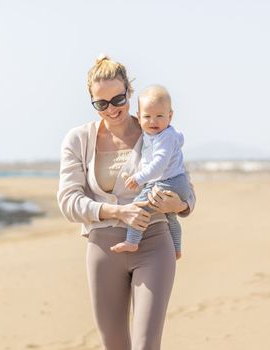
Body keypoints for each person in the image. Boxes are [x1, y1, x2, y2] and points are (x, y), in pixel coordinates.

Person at [57, 55, 196, 350]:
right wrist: (117, 211)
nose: (112, 109)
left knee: (147, 344)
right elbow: (68, 201)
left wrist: (176, 205)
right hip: (102, 249)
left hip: (154, 244)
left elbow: (188, 195)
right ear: (92, 102)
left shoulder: (156, 131)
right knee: (115, 345)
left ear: (129, 93)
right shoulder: (77, 140)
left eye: (118, 98)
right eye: (101, 103)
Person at [110, 85, 193, 260]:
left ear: (170, 116)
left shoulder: (164, 137)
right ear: (139, 117)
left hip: (169, 182)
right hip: (178, 182)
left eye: (159, 116)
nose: (153, 121)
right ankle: (177, 248)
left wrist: (138, 178)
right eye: (147, 117)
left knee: (139, 206)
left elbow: (158, 165)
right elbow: (179, 139)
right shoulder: (163, 134)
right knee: (171, 217)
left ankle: (132, 241)